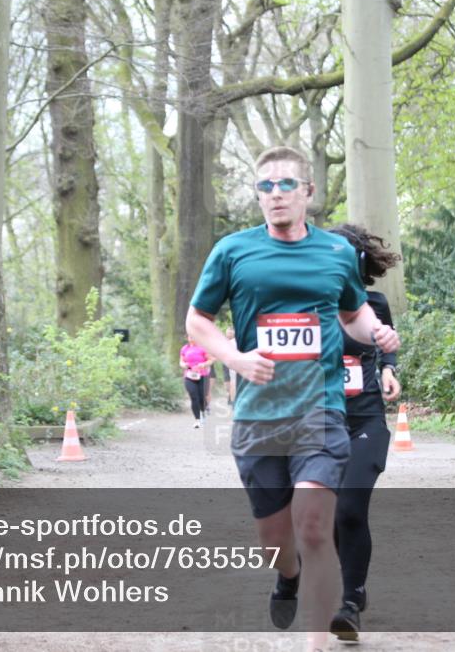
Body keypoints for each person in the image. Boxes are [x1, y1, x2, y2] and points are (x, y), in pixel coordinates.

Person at [186, 146, 399, 650]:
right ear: (257, 196)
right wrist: (235, 359)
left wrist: (379, 335)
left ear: (308, 192)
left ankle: (315, 644)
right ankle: (286, 577)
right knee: (277, 544)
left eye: (286, 185)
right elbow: (199, 322)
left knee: (314, 528)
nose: (275, 194)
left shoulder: (336, 253)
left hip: (320, 410)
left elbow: (353, 315)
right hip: (258, 416)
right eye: (265, 186)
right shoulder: (232, 251)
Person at [327, 223, 402, 640]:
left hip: (365, 419)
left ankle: (351, 602)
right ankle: (339, 586)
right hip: (317, 423)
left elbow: (386, 349)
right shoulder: (309, 306)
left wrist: (390, 370)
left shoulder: (374, 303)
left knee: (350, 509)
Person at [179, 336, 213, 428]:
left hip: (202, 375)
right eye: (190, 336)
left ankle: (203, 413)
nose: (191, 338)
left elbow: (211, 360)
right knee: (194, 397)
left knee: (201, 397)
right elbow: (181, 362)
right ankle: (197, 420)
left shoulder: (202, 347)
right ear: (187, 337)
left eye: (193, 336)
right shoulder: (185, 349)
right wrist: (184, 365)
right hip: (189, 376)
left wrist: (204, 364)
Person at [223, 326, 237, 406]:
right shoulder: (224, 342)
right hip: (225, 364)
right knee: (227, 385)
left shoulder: (236, 342)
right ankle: (230, 395)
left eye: (231, 333)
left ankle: (232, 401)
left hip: (234, 364)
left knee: (233, 382)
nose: (229, 334)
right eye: (228, 333)